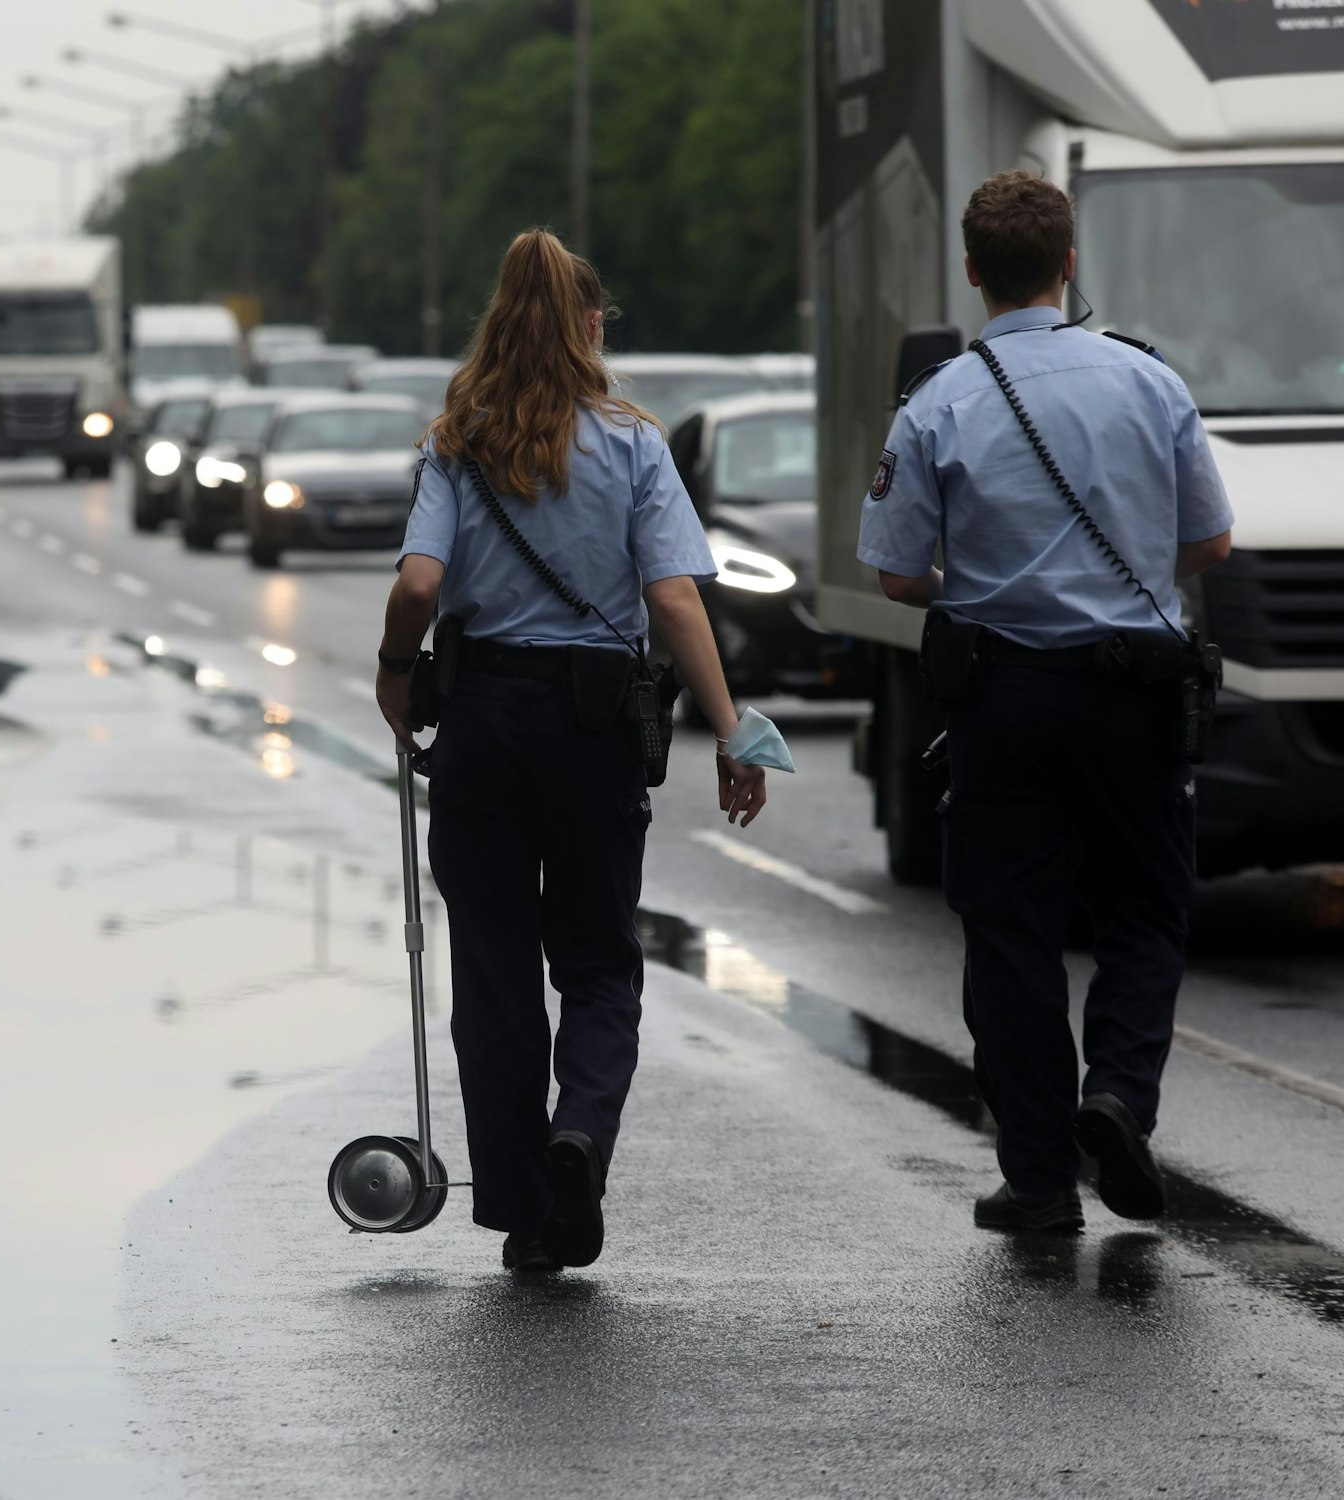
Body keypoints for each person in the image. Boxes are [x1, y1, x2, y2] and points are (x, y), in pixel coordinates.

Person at [373, 229, 778, 1275]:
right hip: (595, 729)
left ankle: (520, 1208)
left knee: (495, 976)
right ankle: (578, 1142)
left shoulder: (457, 444)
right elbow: (675, 596)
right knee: (597, 963)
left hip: (483, 727)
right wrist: (732, 732)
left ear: (496, 323)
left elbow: (419, 585)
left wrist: (392, 670)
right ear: (588, 326)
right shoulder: (634, 445)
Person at [857, 171, 1234, 1233]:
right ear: (1068, 263)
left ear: (972, 271)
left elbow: (891, 575)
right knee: (1144, 910)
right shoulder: (1147, 383)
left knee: (1009, 934)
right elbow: (1208, 540)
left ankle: (1034, 1179)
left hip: (1005, 695)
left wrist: (972, 584)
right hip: (1135, 693)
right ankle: (1115, 1094)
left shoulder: (939, 398)